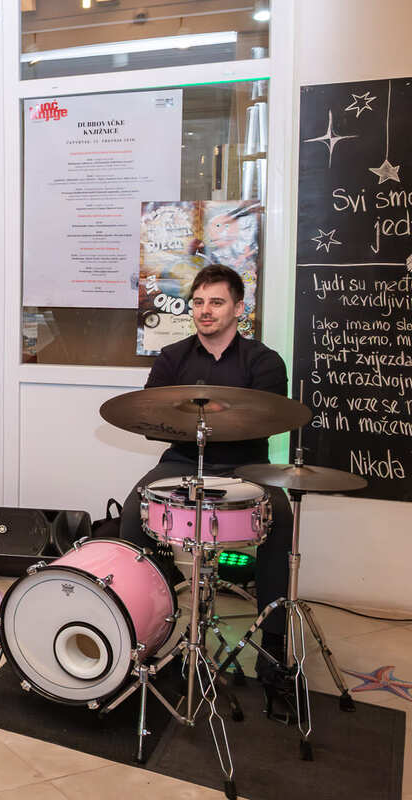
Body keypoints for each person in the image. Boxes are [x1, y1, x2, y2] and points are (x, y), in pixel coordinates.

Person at [118, 264, 294, 686]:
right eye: (198, 302)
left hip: (248, 465)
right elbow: (150, 417)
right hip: (182, 460)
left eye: (216, 302)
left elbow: (267, 421)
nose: (205, 310)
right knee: (133, 512)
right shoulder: (173, 357)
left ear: (238, 308)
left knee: (281, 518)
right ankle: (149, 623)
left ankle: (273, 645)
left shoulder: (265, 361)